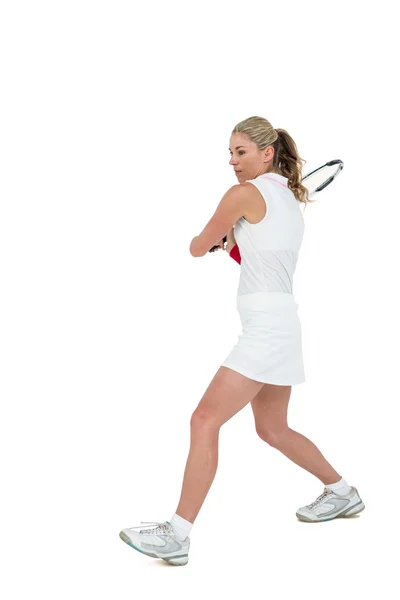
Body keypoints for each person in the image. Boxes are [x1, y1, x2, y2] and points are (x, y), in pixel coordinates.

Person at [119, 116, 365, 566]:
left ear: (266, 153)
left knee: (203, 419)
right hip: (282, 321)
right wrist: (232, 243)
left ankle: (177, 535)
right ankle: (343, 493)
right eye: (230, 154)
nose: (233, 162)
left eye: (241, 152)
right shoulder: (288, 199)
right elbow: (260, 264)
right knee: (272, 429)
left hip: (266, 329)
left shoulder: (243, 195)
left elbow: (195, 247)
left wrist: (211, 240)